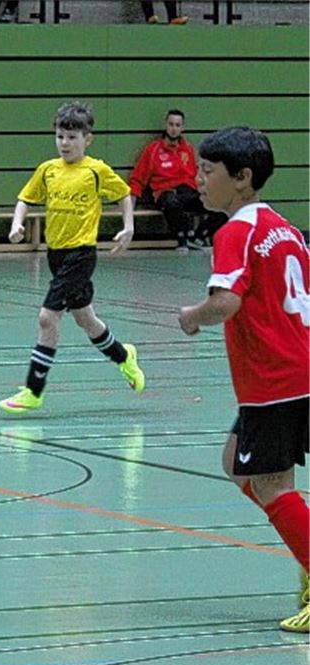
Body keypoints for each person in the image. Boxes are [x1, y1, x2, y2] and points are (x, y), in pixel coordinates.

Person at [177, 127, 309, 633]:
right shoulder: (284, 226)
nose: (198, 179)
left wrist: (191, 315)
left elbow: (226, 301)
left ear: (242, 178)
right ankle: (305, 540)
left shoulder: (234, 233)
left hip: (275, 379)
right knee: (237, 463)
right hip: (300, 369)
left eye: (208, 172)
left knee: (273, 486)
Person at [0, 101, 144, 414]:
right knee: (86, 319)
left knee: (47, 317)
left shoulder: (96, 170)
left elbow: (124, 194)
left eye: (72, 137)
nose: (65, 143)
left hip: (81, 254)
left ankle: (33, 390)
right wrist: (17, 222)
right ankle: (123, 356)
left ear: (87, 139)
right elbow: (25, 197)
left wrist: (128, 227)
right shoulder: (48, 170)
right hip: (57, 254)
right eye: (60, 137)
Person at [129, 109, 226, 251]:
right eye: (171, 124)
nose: (174, 129)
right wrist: (129, 208)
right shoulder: (153, 150)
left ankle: (199, 237)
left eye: (177, 125)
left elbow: (195, 176)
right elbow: (137, 179)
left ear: (182, 128)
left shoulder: (187, 149)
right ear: (165, 125)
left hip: (187, 192)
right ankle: (182, 238)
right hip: (165, 194)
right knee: (172, 202)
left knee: (221, 203)